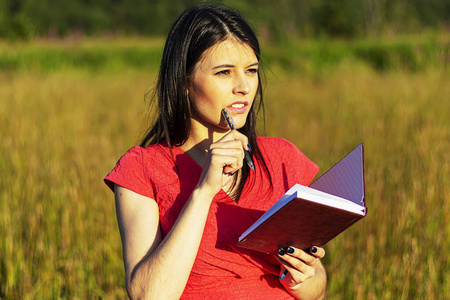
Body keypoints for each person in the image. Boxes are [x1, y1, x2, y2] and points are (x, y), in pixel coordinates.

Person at [105, 4, 327, 299]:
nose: (244, 87)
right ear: (184, 82)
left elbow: (318, 287)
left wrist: (302, 276)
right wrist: (204, 190)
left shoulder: (283, 159)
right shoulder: (142, 169)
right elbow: (149, 295)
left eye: (251, 71)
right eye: (224, 72)